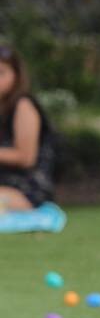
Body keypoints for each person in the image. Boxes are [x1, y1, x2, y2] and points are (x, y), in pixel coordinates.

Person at [0, 44, 60, 216]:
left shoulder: (23, 106)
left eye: (1, 73)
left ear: (16, 76)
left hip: (27, 188)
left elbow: (26, 158)